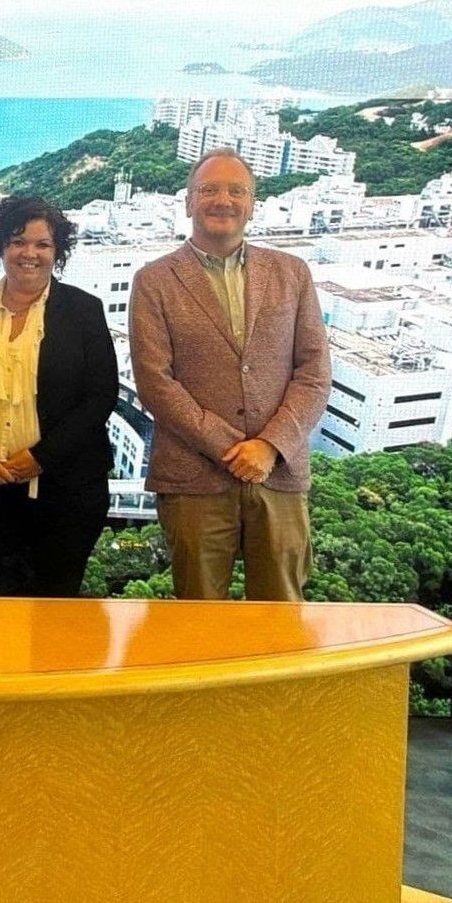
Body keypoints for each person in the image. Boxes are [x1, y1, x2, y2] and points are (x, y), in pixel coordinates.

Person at [129, 148, 331, 600]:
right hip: (194, 478)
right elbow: (155, 381)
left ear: (252, 203)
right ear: (188, 202)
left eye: (236, 191)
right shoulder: (154, 280)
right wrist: (232, 449)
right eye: (210, 189)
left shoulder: (291, 273)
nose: (223, 200)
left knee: (282, 611)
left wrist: (269, 445)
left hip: (278, 472)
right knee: (200, 619)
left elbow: (314, 371)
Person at [0, 196, 118, 597]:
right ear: (1, 246)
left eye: (43, 244)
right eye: (18, 241)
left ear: (58, 252)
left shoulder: (83, 310)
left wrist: (39, 459)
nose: (29, 254)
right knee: (8, 595)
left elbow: (100, 395)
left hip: (68, 489)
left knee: (57, 599)